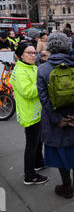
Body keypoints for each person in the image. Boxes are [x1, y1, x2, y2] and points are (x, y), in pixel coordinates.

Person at [37, 32, 74, 199]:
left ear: (50, 47)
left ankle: (66, 186)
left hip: (56, 122)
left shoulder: (43, 69)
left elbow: (44, 99)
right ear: (68, 46)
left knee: (61, 153)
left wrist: (57, 120)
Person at [10, 42, 48, 185]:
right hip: (29, 114)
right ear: (20, 55)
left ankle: (38, 162)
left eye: (34, 53)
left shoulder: (32, 67)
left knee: (39, 141)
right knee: (31, 145)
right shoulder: (19, 71)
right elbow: (28, 92)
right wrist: (42, 82)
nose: (33, 55)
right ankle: (29, 175)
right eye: (29, 53)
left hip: (38, 112)